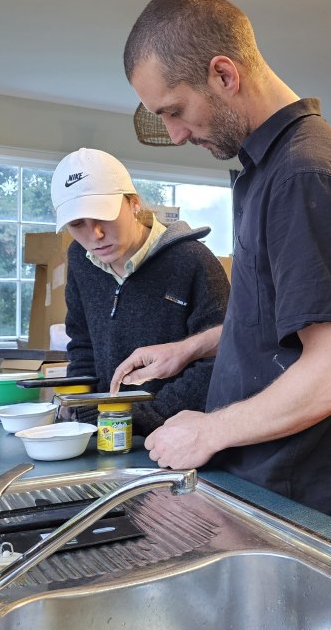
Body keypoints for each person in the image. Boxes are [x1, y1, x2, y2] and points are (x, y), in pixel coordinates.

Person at [113, 0, 331, 536]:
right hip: (274, 490)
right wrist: (189, 349)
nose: (175, 134)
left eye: (175, 111)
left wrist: (206, 431)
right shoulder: (270, 169)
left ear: (224, 74)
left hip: (308, 508)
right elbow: (280, 322)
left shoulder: (305, 174)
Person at [51, 147, 230, 435]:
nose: (94, 235)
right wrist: (79, 406)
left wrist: (138, 415)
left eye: (103, 216)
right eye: (77, 224)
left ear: (133, 203)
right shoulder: (80, 259)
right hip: (104, 430)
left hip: (177, 435)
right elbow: (82, 343)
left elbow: (221, 362)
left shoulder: (193, 261)